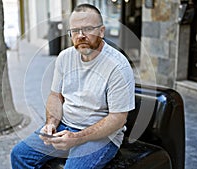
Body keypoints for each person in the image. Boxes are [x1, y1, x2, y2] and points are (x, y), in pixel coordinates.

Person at [11, 4, 135, 169]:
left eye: (88, 29)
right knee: (20, 155)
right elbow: (56, 96)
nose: (81, 36)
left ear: (102, 31)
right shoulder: (64, 57)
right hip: (65, 125)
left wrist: (78, 138)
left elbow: (117, 119)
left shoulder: (118, 66)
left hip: (101, 136)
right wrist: (51, 124)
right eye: (75, 31)